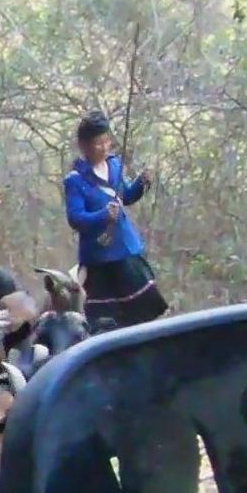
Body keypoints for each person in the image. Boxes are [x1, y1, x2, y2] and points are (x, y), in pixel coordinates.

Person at [63, 111, 169, 329]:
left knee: (145, 313)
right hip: (99, 259)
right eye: (97, 143)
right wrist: (102, 216)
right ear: (83, 146)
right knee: (105, 322)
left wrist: (141, 184)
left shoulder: (114, 165)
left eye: (106, 141)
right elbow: (75, 218)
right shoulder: (75, 180)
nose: (103, 147)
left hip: (126, 253)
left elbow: (126, 196)